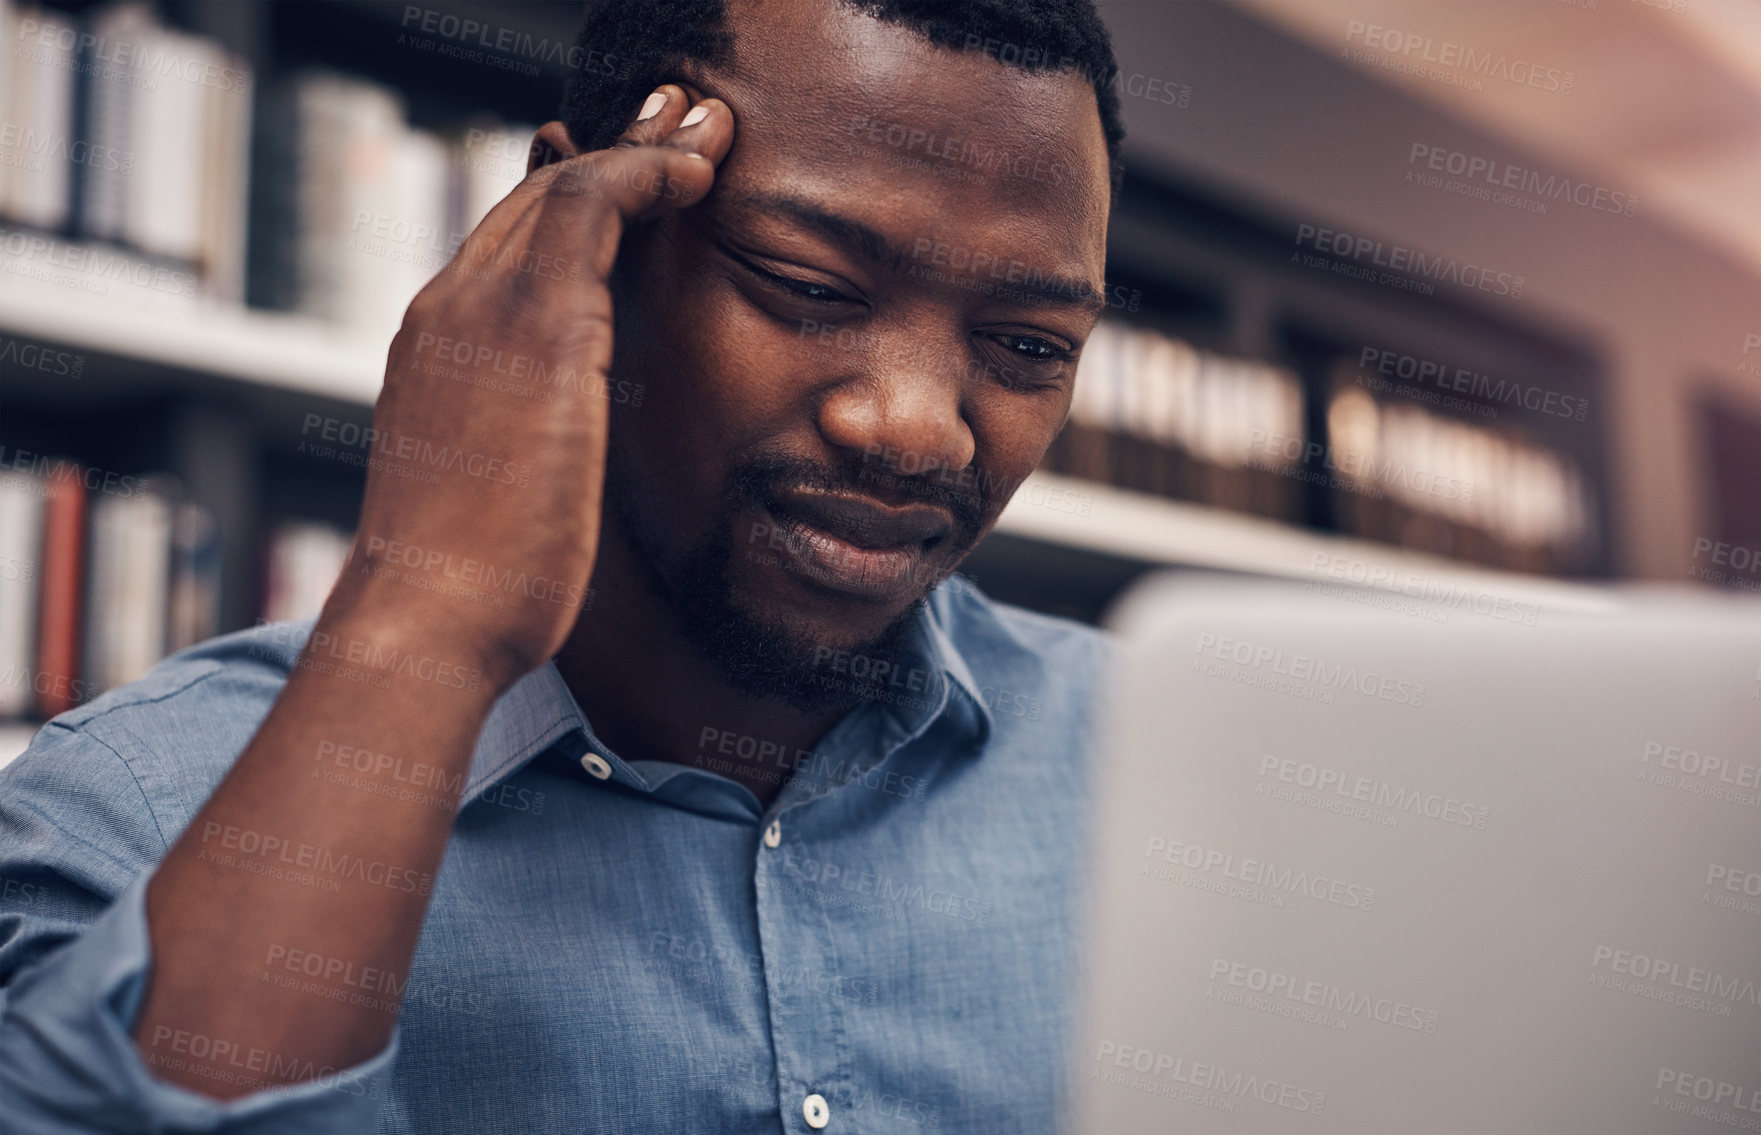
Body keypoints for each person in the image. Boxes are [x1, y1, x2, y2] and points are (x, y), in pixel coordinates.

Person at [0, 0, 1124, 1129]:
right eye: (810, 284)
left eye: (1028, 347)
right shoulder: (140, 816)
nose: (919, 427)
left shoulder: (1143, 761)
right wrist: (424, 623)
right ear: (571, 231)